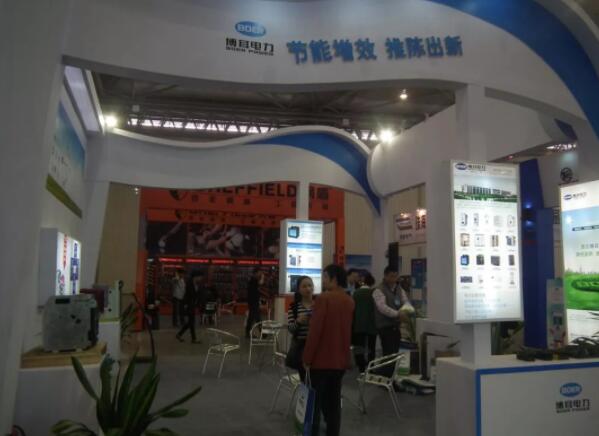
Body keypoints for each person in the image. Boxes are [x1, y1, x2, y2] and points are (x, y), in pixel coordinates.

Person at [303, 264, 355, 436]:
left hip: (321, 361)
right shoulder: (349, 301)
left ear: (334, 279)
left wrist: (307, 358)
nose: (323, 280)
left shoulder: (323, 299)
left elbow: (315, 332)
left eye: (325, 277)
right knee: (334, 403)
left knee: (315, 404)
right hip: (339, 362)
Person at [373, 266, 410, 374]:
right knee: (388, 354)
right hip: (384, 327)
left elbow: (405, 301)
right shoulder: (378, 290)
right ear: (385, 276)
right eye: (391, 276)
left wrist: (406, 311)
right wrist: (398, 314)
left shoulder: (399, 289)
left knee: (394, 354)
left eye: (395, 276)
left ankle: (389, 376)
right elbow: (382, 308)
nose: (393, 279)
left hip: (396, 326)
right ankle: (385, 376)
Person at [286, 276, 314, 382]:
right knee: (305, 380)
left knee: (317, 379)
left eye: (310, 285)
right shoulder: (294, 307)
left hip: (316, 347)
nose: (308, 289)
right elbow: (290, 329)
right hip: (301, 349)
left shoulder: (319, 305)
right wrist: (298, 321)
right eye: (304, 286)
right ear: (299, 289)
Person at [352, 272, 378, 373]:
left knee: (359, 347)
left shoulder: (356, 293)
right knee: (372, 347)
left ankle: (361, 369)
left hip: (358, 324)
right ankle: (371, 369)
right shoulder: (374, 293)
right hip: (372, 324)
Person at [176, 272, 204, 343]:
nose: (201, 278)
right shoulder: (189, 283)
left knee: (191, 322)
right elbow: (187, 295)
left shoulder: (197, 284)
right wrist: (186, 305)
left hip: (192, 305)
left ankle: (180, 335)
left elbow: (197, 294)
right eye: (200, 277)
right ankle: (192, 338)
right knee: (191, 322)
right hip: (188, 305)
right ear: (195, 277)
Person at [245, 268, 264, 338]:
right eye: (259, 273)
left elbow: (256, 291)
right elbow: (260, 284)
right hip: (253, 303)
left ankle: (249, 333)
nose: (260, 274)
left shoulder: (252, 280)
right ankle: (262, 333)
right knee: (255, 318)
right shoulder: (254, 280)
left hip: (252, 302)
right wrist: (262, 277)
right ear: (256, 273)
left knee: (253, 318)